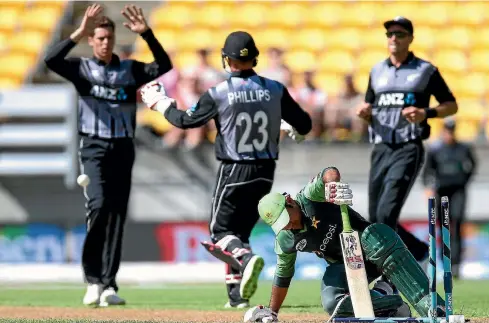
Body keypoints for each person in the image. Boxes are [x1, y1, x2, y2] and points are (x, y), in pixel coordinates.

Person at [140, 31, 312, 308]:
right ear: (255, 58)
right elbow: (305, 125)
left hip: (234, 169)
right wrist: (287, 124)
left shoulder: (219, 92)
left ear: (226, 60)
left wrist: (161, 104)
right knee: (238, 233)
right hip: (266, 171)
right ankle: (237, 296)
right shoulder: (275, 88)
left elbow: (186, 121)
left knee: (220, 232)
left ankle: (244, 259)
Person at [44, 3, 172, 306]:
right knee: (99, 207)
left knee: (116, 216)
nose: (104, 43)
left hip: (123, 149)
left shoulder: (130, 70)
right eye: (98, 38)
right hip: (93, 148)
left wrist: (148, 34)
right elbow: (51, 59)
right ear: (92, 40)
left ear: (113, 40)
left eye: (108, 39)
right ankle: (92, 280)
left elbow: (164, 65)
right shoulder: (83, 70)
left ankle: (109, 285)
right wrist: (78, 32)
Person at [243, 167, 446, 322]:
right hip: (347, 266)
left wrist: (332, 185)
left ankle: (433, 307)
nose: (287, 225)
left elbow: (329, 172)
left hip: (373, 246)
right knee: (334, 303)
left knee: (375, 236)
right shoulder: (285, 237)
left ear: (289, 201)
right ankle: (389, 300)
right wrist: (273, 312)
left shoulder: (309, 198)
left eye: (286, 218)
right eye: (281, 224)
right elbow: (282, 275)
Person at [356, 16, 458, 273]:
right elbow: (370, 106)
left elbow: (451, 105)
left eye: (400, 34)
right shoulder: (377, 71)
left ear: (410, 38)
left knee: (387, 213)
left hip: (407, 146)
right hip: (380, 148)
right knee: (375, 220)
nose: (393, 38)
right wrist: (366, 113)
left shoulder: (425, 70)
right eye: (390, 34)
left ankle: (389, 274)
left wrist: (427, 113)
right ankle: (420, 252)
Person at [422, 119, 477, 278]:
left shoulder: (463, 148)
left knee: (457, 223)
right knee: (442, 226)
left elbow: (472, 166)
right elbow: (427, 171)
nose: (449, 134)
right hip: (441, 192)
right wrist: (428, 188)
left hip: (458, 191)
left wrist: (464, 180)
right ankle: (443, 262)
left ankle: (456, 264)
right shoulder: (436, 150)